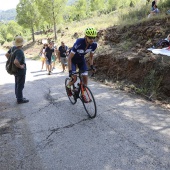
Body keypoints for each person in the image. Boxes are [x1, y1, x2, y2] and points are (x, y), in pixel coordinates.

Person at [66, 27, 97, 98]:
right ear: (86, 37)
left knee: (85, 78)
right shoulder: (79, 42)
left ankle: (83, 94)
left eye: (93, 37)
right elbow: (70, 57)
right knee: (74, 78)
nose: (92, 39)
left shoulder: (94, 45)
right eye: (90, 37)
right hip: (73, 60)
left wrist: (92, 66)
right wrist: (70, 71)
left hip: (81, 60)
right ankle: (68, 86)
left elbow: (91, 57)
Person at [5, 35, 29, 104]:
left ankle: (18, 96)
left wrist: (11, 61)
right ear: (22, 43)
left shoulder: (13, 48)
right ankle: (20, 99)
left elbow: (6, 54)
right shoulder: (20, 51)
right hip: (20, 71)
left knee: (17, 84)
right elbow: (16, 61)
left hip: (15, 70)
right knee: (20, 85)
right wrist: (21, 66)